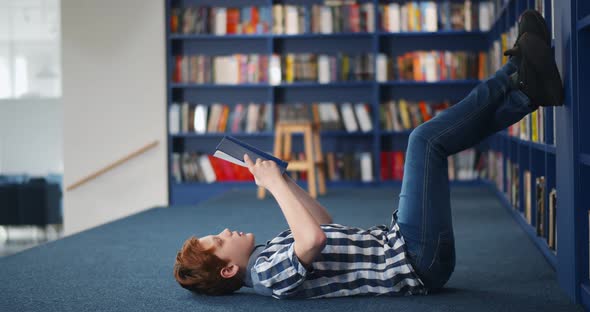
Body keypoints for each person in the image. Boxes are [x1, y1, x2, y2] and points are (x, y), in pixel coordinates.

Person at [173, 10, 563, 299]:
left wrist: (286, 180)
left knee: (434, 144)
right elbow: (311, 241)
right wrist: (274, 186)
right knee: (425, 141)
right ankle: (514, 73)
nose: (226, 231)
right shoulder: (264, 275)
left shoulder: (266, 252)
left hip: (403, 244)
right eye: (220, 240)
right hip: (414, 260)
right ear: (228, 269)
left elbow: (322, 223)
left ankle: (528, 94)